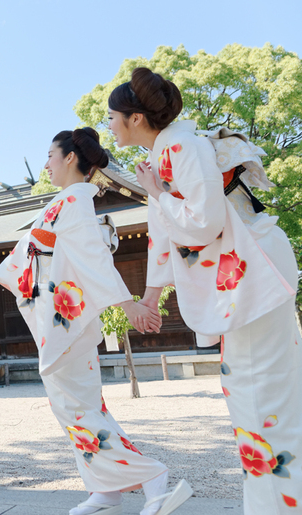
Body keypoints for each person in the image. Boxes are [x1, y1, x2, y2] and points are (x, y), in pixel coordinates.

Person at [0, 129, 191, 515]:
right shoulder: (64, 201)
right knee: (78, 405)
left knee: (76, 408)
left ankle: (152, 475)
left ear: (70, 157)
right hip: (56, 320)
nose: (46, 164)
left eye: (50, 155)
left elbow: (92, 257)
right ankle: (105, 488)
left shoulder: (75, 201)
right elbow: (25, 250)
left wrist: (128, 304)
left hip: (65, 324)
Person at [108, 67, 300, 514]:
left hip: (251, 272)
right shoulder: (164, 152)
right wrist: (150, 298)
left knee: (260, 395)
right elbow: (163, 234)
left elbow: (205, 222)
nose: (110, 125)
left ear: (136, 118)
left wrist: (158, 193)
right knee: (256, 394)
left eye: (113, 117)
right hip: (243, 274)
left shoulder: (182, 146)